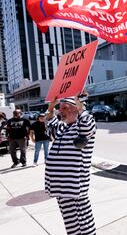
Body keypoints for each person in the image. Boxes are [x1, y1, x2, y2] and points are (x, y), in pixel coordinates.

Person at [45, 95, 96, 235]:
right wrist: (51, 108)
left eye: (65, 108)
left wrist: (81, 106)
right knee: (70, 221)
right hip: (59, 186)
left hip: (74, 188)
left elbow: (87, 125)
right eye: (60, 108)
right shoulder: (62, 128)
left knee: (82, 221)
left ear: (75, 109)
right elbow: (50, 127)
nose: (60, 110)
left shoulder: (82, 127)